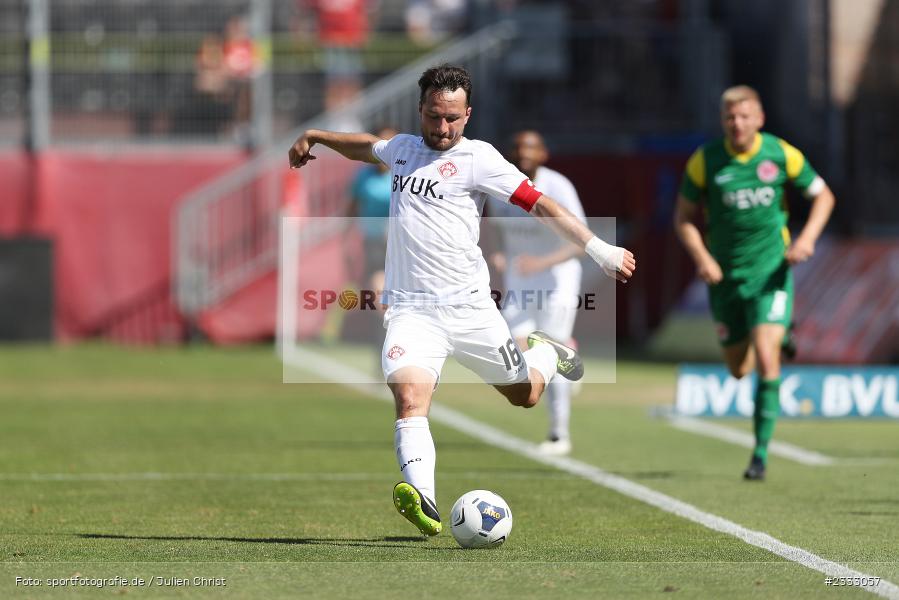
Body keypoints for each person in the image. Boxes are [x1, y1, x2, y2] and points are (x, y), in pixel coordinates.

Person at [289, 65, 635, 536]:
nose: (443, 128)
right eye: (434, 116)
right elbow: (363, 146)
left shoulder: (481, 159)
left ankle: (547, 354)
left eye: (452, 118)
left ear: (467, 114)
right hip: (412, 311)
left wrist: (601, 250)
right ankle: (425, 502)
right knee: (410, 398)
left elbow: (543, 205)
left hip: (471, 310)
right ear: (421, 111)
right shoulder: (403, 150)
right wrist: (315, 136)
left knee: (527, 395)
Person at [673, 85, 835, 481]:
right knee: (738, 368)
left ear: (759, 119)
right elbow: (683, 219)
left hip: (770, 273)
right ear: (723, 120)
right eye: (730, 117)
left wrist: (807, 239)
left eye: (745, 116)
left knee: (766, 357)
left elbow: (824, 196)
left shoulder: (781, 153)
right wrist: (704, 258)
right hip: (725, 279)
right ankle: (781, 335)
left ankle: (759, 455)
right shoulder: (706, 160)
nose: (737, 123)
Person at [486, 130, 586, 456]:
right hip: (520, 279)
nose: (523, 152)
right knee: (516, 345)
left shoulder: (558, 187)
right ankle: (566, 355)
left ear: (543, 154)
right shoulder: (500, 186)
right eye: (517, 146)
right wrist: (499, 255)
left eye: (530, 147)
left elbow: (579, 241)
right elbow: (496, 232)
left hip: (558, 278)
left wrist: (541, 261)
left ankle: (559, 434)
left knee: (549, 351)